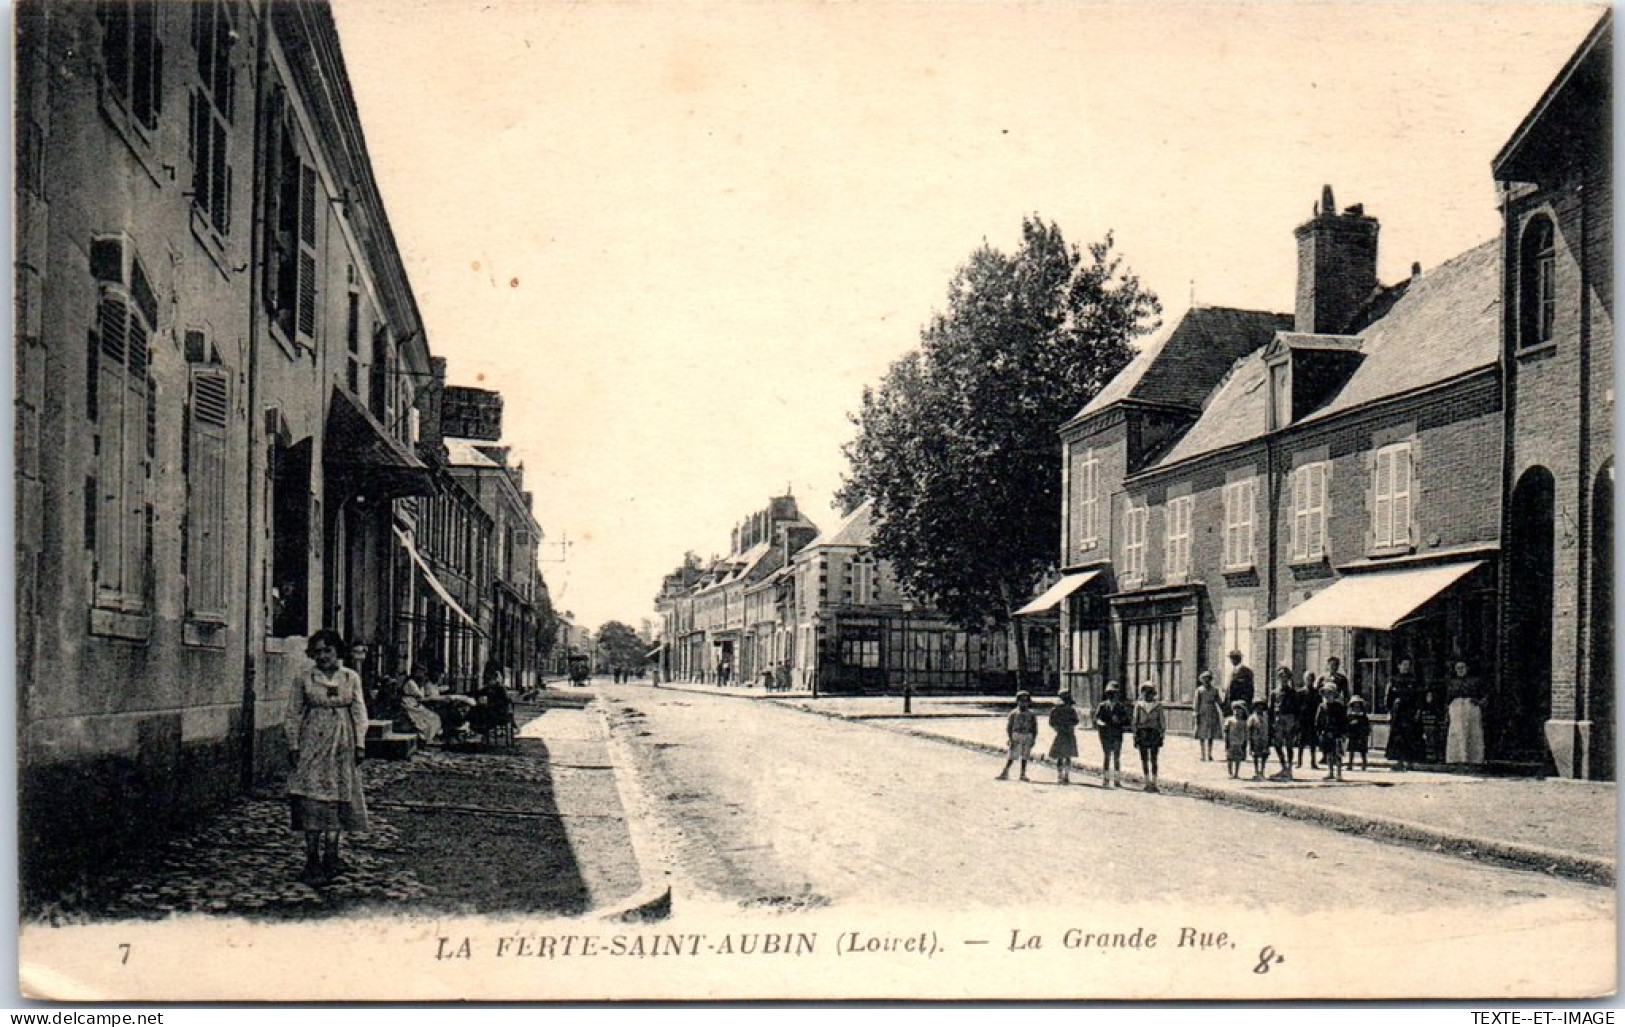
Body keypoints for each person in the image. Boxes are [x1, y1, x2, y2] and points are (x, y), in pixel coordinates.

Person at [285, 629, 369, 884]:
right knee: (311, 796)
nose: (322, 656)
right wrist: (293, 744)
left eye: (327, 651)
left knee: (338, 794)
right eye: (317, 651)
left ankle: (332, 855)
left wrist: (360, 744)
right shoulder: (304, 678)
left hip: (342, 740)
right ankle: (312, 858)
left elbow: (359, 711)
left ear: (337, 651)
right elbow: (293, 713)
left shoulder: (350, 677)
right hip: (313, 739)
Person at [1384, 658, 1423, 771]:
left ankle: (1410, 762)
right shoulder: (1393, 680)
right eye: (1404, 664)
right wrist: (1389, 710)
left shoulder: (1414, 680)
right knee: (1398, 737)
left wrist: (1418, 711)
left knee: (1411, 736)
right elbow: (1388, 697)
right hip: (1398, 712)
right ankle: (1399, 761)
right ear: (1399, 666)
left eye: (1408, 665)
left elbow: (1419, 697)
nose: (1406, 667)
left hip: (1410, 711)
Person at [1445, 660, 1486, 764]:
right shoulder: (1452, 682)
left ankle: (1475, 759)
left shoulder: (1475, 681)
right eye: (1458, 668)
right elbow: (1448, 697)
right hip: (1456, 708)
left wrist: (1479, 702)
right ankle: (1457, 758)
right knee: (1457, 732)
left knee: (1473, 732)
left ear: (1467, 668)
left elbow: (1485, 695)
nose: (1460, 670)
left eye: (1463, 667)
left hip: (1471, 707)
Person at [1093, 682, 1131, 789]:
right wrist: (1101, 723)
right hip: (1105, 734)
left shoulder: (1120, 707)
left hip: (1117, 733)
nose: (1112, 696)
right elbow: (1096, 719)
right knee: (1107, 756)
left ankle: (1117, 780)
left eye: (1114, 693)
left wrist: (1120, 720)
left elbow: (1127, 720)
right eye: (1110, 693)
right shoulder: (1102, 706)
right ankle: (1105, 779)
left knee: (1117, 757)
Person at [1132, 682, 1166, 792]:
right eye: (1145, 692)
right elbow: (1135, 721)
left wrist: (1161, 734)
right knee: (1144, 758)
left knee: (1154, 759)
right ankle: (1147, 782)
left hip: (1154, 733)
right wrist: (1135, 734)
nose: (1148, 694)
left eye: (1150, 692)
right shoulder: (1139, 705)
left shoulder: (1158, 706)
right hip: (1142, 733)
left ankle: (1154, 783)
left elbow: (1162, 721)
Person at [997, 691, 1038, 781]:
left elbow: (1034, 727)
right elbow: (1009, 726)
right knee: (1012, 755)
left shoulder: (1031, 714)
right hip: (1016, 735)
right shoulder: (1014, 713)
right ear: (1017, 701)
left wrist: (1034, 738)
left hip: (1027, 735)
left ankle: (1023, 774)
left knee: (1025, 756)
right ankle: (1005, 771)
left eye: (1026, 701)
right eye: (1021, 701)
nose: (1023, 703)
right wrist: (1010, 737)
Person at [1268, 666, 1300, 780]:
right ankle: (1283, 766)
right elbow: (1271, 709)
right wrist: (1271, 722)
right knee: (1277, 744)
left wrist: (1296, 722)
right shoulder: (1274, 692)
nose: (1283, 678)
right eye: (1281, 676)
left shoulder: (1292, 692)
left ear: (1289, 678)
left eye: (1285, 676)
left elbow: (1297, 709)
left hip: (1289, 719)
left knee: (1289, 745)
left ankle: (1289, 769)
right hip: (1278, 719)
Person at [399, 667, 442, 744]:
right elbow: (420, 695)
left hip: (414, 703)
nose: (422, 675)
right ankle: (426, 738)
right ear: (416, 673)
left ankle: (428, 737)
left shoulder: (415, 682)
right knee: (430, 718)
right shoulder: (410, 683)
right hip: (409, 704)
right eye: (421, 673)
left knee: (433, 716)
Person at [1315, 683, 1348, 781]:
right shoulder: (1322, 707)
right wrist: (1320, 732)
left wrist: (1343, 733)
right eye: (1325, 694)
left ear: (1334, 695)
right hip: (1326, 733)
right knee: (1328, 753)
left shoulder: (1339, 707)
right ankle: (1330, 772)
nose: (1327, 696)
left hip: (1337, 733)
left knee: (1337, 754)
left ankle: (1339, 773)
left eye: (1329, 693)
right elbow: (1318, 720)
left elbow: (1343, 721)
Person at [1047, 692, 1081, 784]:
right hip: (1061, 734)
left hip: (1069, 734)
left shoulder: (1071, 710)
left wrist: (1070, 725)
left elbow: (1076, 721)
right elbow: (1051, 722)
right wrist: (1058, 728)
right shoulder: (1055, 710)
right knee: (1060, 756)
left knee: (1068, 756)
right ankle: (1060, 775)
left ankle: (1066, 775)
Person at [1192, 671, 1223, 762]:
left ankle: (1209, 754)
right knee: (1202, 734)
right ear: (1202, 680)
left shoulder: (1214, 690)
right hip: (1202, 712)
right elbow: (1196, 702)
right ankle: (1202, 754)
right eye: (1205, 679)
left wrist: (1224, 707)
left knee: (1210, 734)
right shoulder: (1199, 690)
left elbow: (1219, 701)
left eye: (1208, 679)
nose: (1207, 681)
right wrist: (1196, 713)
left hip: (1212, 711)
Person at [1297, 672, 1322, 770]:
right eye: (1308, 679)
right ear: (1304, 679)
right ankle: (1299, 762)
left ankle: (1313, 762)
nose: (1309, 681)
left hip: (1313, 718)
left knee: (1312, 742)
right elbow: (1297, 707)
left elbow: (1319, 705)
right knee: (1301, 741)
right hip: (1303, 719)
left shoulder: (1316, 692)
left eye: (1311, 679)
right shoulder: (1300, 692)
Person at [1222, 700, 1249, 779]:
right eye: (1235, 710)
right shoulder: (1230, 720)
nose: (1237, 712)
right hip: (1231, 741)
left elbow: (1246, 733)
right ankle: (1230, 773)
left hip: (1239, 742)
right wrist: (1226, 741)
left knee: (1238, 758)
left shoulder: (1244, 722)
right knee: (1230, 758)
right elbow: (1226, 730)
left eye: (1239, 710)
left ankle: (1236, 773)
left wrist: (1245, 742)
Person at [1346, 695, 1372, 771]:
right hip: (1353, 734)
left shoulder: (1363, 716)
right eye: (1355, 706)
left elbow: (1366, 726)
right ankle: (1350, 764)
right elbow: (1346, 724)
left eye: (1358, 706)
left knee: (1362, 750)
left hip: (1361, 735)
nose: (1356, 707)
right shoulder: (1350, 716)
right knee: (1351, 750)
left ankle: (1364, 763)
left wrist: (1365, 733)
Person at [1247, 698, 1271, 781]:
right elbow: (1250, 729)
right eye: (1257, 706)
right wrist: (1250, 741)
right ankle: (1256, 771)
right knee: (1256, 755)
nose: (1259, 708)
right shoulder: (1252, 718)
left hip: (1264, 738)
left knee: (1264, 755)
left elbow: (1268, 728)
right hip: (1255, 739)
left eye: (1261, 706)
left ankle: (1262, 771)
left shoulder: (1266, 717)